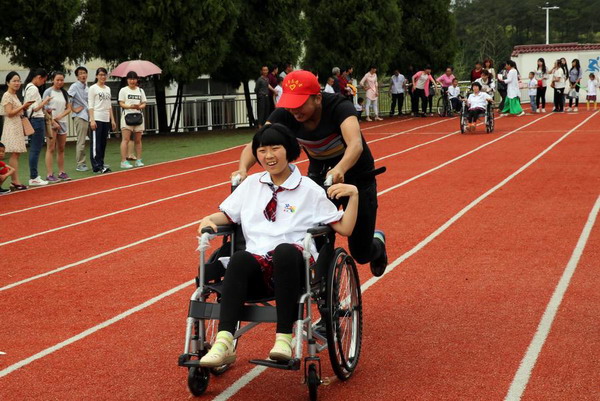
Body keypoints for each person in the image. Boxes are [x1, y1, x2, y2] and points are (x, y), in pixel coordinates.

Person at [198, 124, 359, 366]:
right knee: (240, 258)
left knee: (285, 249)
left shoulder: (309, 189)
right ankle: (223, 342)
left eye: (275, 148)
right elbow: (229, 216)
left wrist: (354, 195)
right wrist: (209, 219)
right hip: (257, 268)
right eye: (262, 150)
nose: (269, 156)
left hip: (295, 265)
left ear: (289, 150)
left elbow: (345, 228)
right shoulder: (251, 184)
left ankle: (284, 338)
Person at [232, 70, 388, 278]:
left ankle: (377, 244)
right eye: (290, 103)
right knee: (316, 237)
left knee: (360, 252)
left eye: (300, 103)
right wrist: (243, 169)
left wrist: (341, 168)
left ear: (317, 98)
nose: (295, 110)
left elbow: (355, 145)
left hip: (356, 177)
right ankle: (323, 283)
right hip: (320, 177)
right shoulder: (285, 115)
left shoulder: (340, 107)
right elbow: (257, 143)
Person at [1, 72, 34, 190]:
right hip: (12, 126)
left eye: (18, 80)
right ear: (7, 82)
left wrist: (24, 107)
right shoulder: (7, 95)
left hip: (17, 125)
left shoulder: (14, 95)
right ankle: (15, 181)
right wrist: (23, 106)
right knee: (14, 153)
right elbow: (9, 113)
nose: (17, 83)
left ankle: (14, 181)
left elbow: (16, 111)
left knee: (16, 153)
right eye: (14, 81)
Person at [23, 69, 51, 186]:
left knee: (34, 149)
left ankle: (34, 176)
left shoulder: (28, 88)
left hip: (34, 119)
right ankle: (33, 176)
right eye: (43, 80)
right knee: (35, 149)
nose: (43, 82)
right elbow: (34, 108)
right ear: (39, 77)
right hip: (36, 119)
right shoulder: (33, 89)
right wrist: (45, 102)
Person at [42, 72, 72, 182]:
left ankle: (61, 172)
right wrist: (53, 120)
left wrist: (60, 116)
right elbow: (43, 108)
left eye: (62, 80)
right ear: (53, 80)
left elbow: (69, 108)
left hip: (62, 123)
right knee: (51, 148)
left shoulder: (64, 93)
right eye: (57, 80)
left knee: (61, 148)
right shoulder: (48, 91)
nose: (60, 82)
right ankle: (49, 174)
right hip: (51, 123)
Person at [88, 67, 116, 174]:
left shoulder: (107, 89)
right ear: (96, 76)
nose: (102, 77)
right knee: (96, 143)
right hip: (97, 117)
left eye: (104, 75)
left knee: (103, 143)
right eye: (100, 75)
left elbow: (109, 105)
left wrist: (112, 120)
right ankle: (96, 165)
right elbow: (90, 105)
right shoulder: (93, 88)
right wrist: (92, 120)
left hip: (105, 118)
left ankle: (101, 162)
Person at [118, 71, 147, 169]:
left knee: (138, 140)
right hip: (127, 116)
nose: (132, 81)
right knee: (125, 139)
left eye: (134, 79)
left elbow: (144, 103)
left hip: (138, 116)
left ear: (137, 80)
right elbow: (121, 103)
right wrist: (129, 106)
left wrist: (139, 107)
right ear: (127, 80)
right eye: (130, 79)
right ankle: (123, 161)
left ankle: (139, 160)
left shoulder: (140, 91)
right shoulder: (123, 90)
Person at [68, 66, 91, 171]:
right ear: (77, 76)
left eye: (84, 73)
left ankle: (95, 161)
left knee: (92, 140)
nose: (83, 75)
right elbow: (68, 99)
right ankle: (80, 164)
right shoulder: (74, 86)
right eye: (81, 73)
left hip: (88, 115)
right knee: (81, 141)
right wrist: (73, 109)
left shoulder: (87, 86)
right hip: (80, 116)